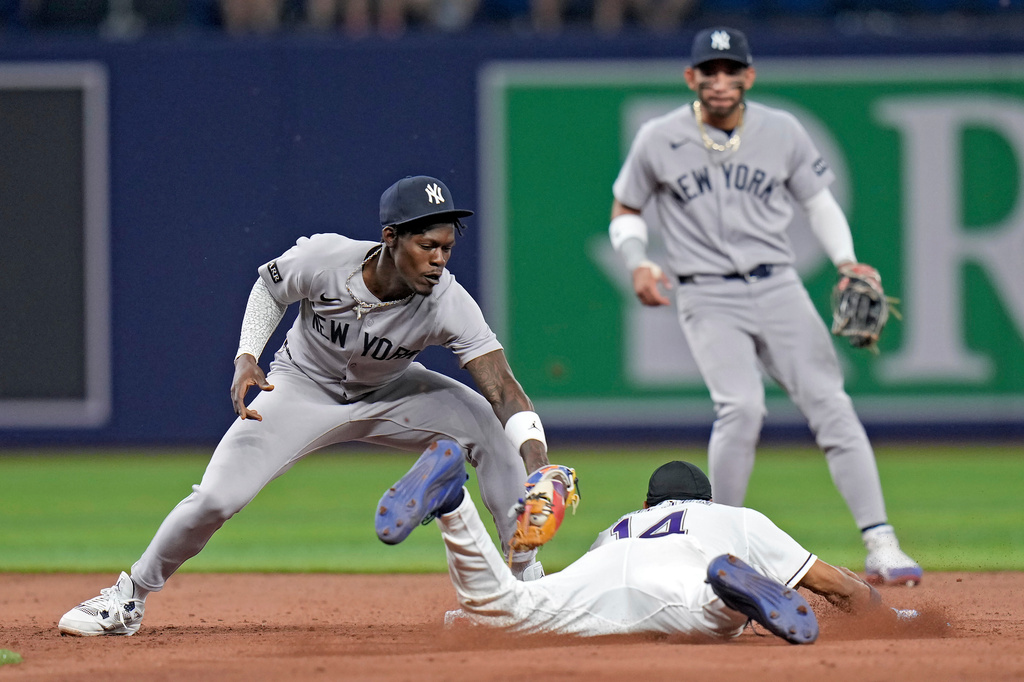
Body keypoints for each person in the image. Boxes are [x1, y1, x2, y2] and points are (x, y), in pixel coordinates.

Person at [58, 175, 565, 637]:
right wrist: (247, 356)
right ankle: (128, 599)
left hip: (394, 392)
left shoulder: (448, 301)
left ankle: (524, 587)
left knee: (493, 430)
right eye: (427, 245)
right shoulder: (327, 258)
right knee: (215, 498)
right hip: (301, 387)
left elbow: (502, 387)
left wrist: (538, 465)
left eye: (447, 248)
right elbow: (269, 288)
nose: (439, 260)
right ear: (390, 238)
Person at [606, 26, 922, 587]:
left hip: (778, 285)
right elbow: (625, 207)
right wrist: (637, 260)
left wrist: (847, 260)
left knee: (831, 405)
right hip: (706, 291)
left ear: (749, 76)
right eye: (710, 70)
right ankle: (718, 546)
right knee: (742, 408)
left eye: (732, 70)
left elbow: (817, 201)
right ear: (691, 77)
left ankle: (881, 542)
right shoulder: (660, 136)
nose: (720, 80)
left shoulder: (781, 130)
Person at [380, 441, 912, 643]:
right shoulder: (736, 518)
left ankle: (453, 504)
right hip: (685, 578)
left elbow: (562, 588)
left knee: (503, 607)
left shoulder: (619, 528)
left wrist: (524, 557)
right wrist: (886, 618)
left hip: (594, 579)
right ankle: (732, 591)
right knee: (711, 617)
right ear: (707, 502)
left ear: (647, 506)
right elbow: (832, 585)